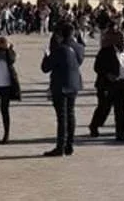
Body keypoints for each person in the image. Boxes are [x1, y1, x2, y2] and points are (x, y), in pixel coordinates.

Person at [40, 22, 85, 156]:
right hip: (74, 83)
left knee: (62, 117)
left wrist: (47, 55)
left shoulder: (60, 49)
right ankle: (69, 145)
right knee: (71, 114)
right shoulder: (79, 47)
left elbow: (45, 68)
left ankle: (60, 147)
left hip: (61, 85)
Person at [94, 31, 124, 142]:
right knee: (104, 108)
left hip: (122, 85)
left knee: (121, 110)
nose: (123, 41)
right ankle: (94, 126)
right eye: (121, 39)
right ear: (115, 40)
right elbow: (97, 67)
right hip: (108, 85)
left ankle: (120, 133)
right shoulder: (106, 52)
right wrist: (107, 74)